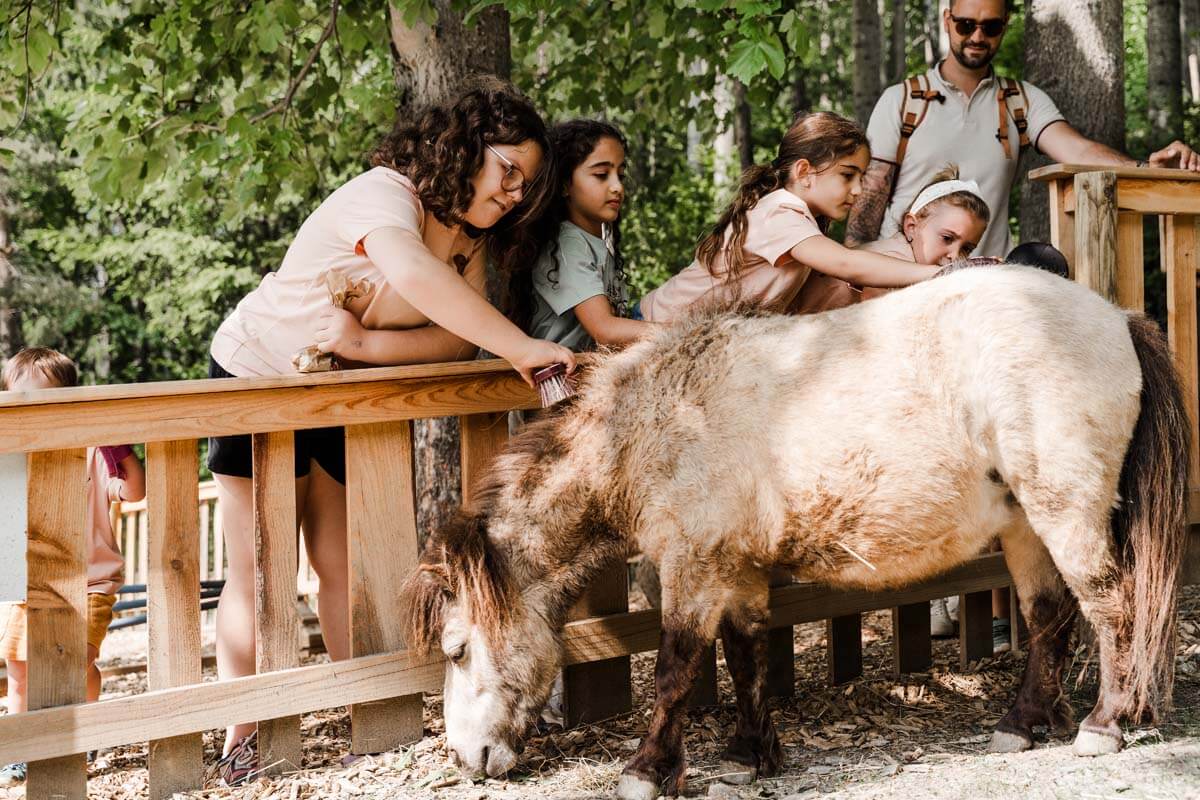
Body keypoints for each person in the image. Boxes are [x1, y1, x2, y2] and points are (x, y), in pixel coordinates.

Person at [205, 78, 573, 786]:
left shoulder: (467, 244)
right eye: (508, 172)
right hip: (255, 374)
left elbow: (453, 343)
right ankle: (241, 740)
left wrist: (364, 347)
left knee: (342, 562)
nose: (514, 195)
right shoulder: (385, 196)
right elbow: (412, 275)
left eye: (526, 187)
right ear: (467, 148)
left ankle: (366, 723)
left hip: (334, 390)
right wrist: (525, 349)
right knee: (260, 567)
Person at [846, 0, 1200, 258]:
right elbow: (873, 189)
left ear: (1006, 24)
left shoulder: (1020, 101)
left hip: (983, 282)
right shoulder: (903, 100)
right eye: (966, 24)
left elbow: (1078, 151)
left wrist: (1148, 169)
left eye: (991, 26)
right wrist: (854, 267)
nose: (977, 36)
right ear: (947, 20)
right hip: (901, 276)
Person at [637, 112, 939, 324]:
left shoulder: (802, 218)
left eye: (861, 177)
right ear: (804, 172)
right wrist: (939, 274)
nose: (858, 189)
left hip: (692, 336)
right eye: (847, 175)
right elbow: (846, 265)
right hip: (653, 326)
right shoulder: (780, 211)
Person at [0, 348, 145, 788]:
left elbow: (134, 491)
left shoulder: (92, 450)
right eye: (21, 403)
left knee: (75, 662)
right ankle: (19, 749)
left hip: (90, 581)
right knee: (20, 667)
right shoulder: (12, 456)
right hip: (29, 584)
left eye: (47, 401)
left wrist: (118, 447)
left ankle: (82, 734)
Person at [529, 119, 653, 349]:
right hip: (556, 378)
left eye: (621, 175)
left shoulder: (593, 243)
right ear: (565, 184)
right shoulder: (568, 243)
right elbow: (604, 329)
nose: (618, 187)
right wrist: (680, 330)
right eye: (601, 174)